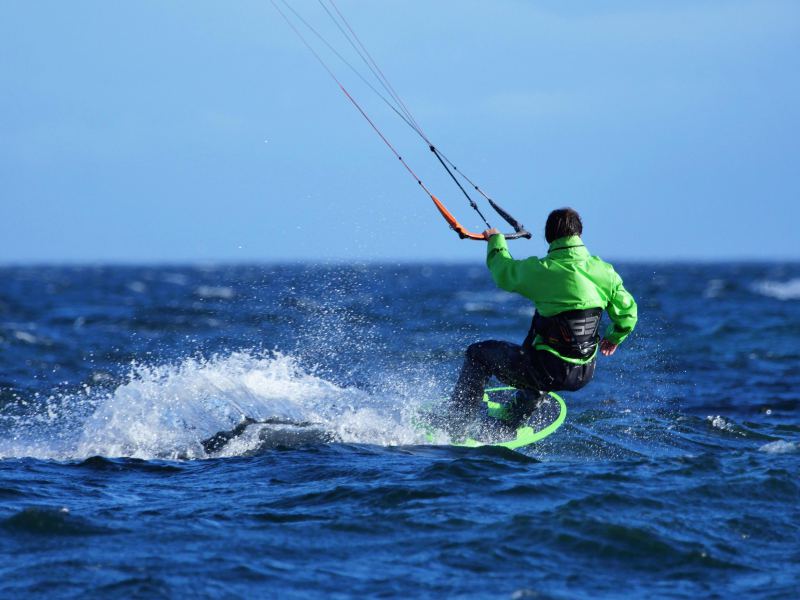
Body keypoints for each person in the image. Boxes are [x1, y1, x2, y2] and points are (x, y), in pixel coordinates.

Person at [445, 207, 638, 435]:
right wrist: (615, 337)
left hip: (547, 370)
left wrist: (495, 241)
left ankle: (457, 423)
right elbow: (628, 314)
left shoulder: (542, 270)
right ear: (580, 234)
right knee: (540, 349)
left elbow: (504, 273)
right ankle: (514, 416)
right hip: (584, 372)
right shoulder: (604, 272)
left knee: (478, 354)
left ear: (549, 237)